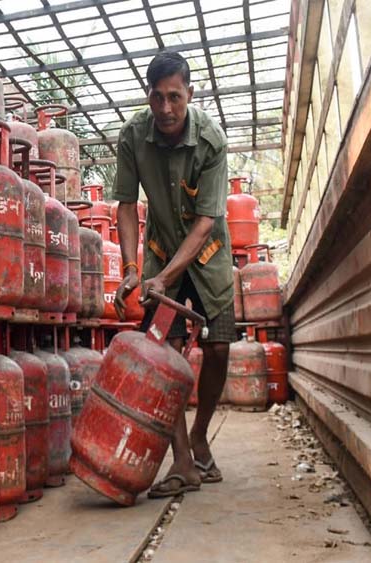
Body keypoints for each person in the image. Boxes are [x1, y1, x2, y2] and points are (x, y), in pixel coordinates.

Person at [112, 51, 234, 498]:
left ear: (189, 94)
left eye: (174, 97)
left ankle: (200, 437)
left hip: (208, 255)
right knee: (165, 352)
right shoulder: (133, 135)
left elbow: (205, 222)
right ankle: (183, 461)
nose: (165, 108)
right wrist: (131, 269)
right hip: (161, 252)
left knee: (218, 347)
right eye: (157, 97)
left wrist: (165, 279)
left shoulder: (211, 141)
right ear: (148, 95)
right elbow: (127, 205)